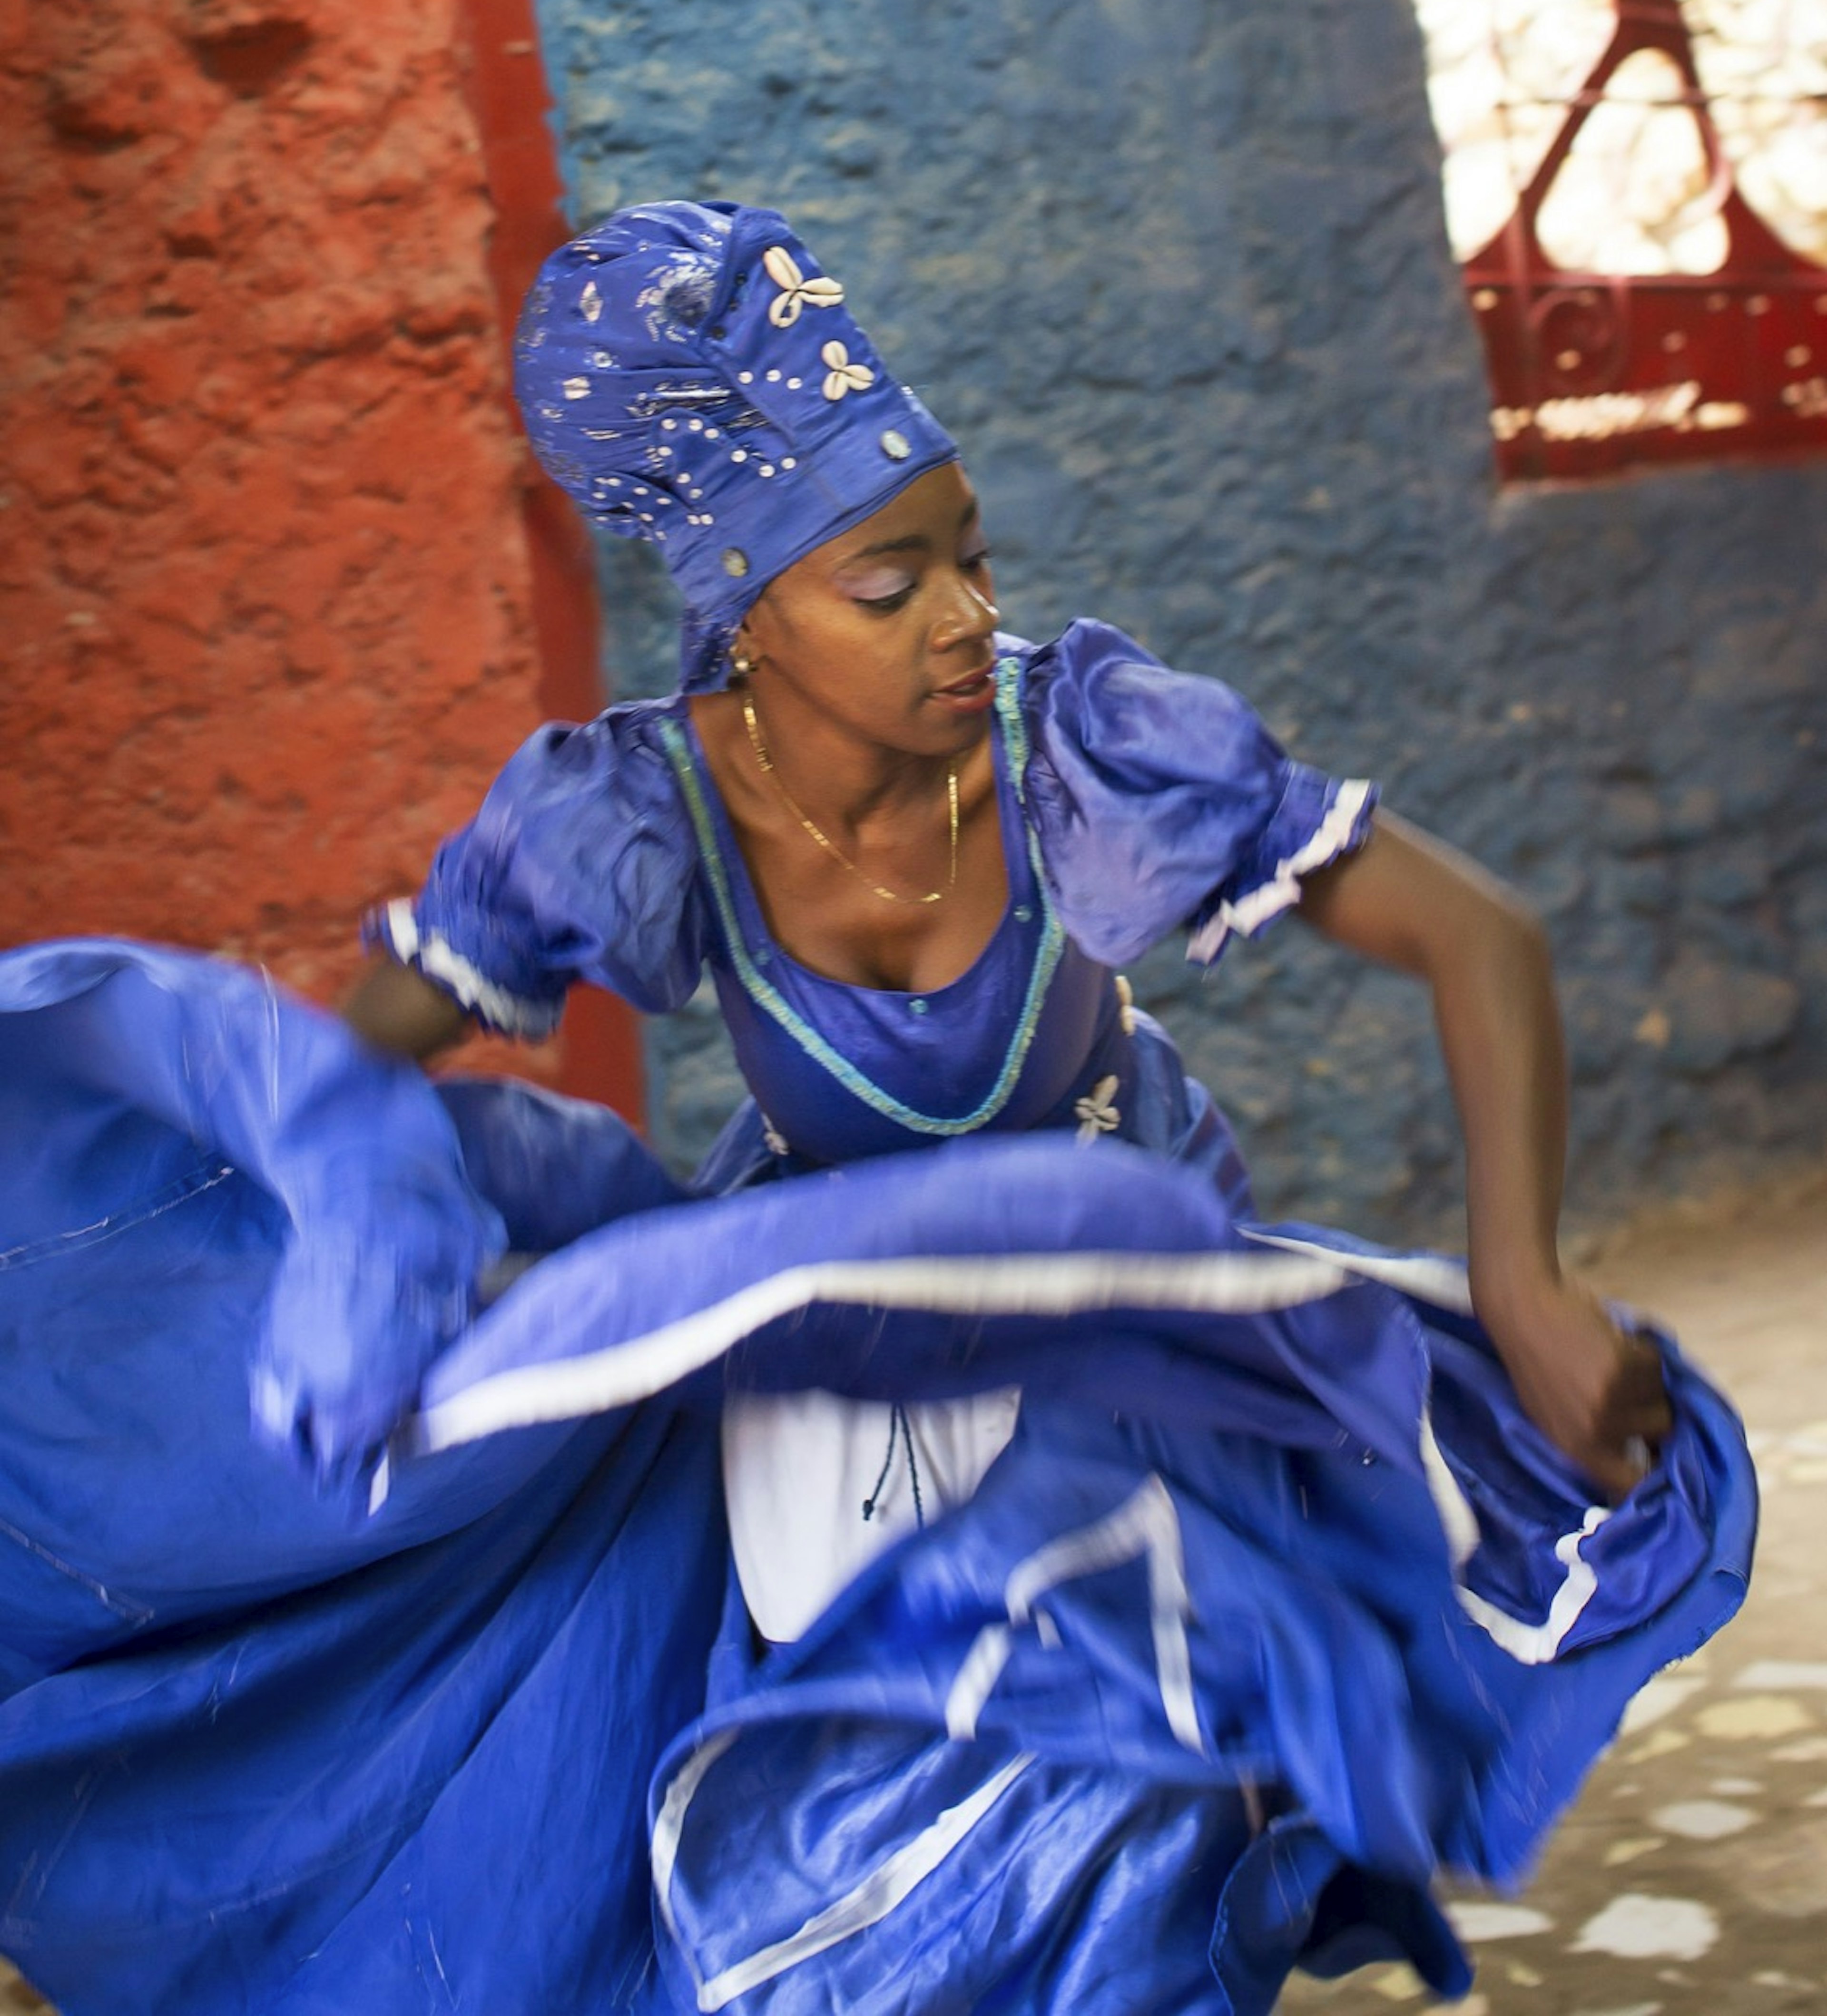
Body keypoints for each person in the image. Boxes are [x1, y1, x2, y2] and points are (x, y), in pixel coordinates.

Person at [0, 201, 1750, 2016]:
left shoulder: (1077, 746)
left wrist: (1525, 1281)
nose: (965, 617)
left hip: (1123, 1330)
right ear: (747, 618)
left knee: (1119, 1768)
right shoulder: (642, 817)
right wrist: (361, 1229)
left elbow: (1479, 933)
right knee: (890, 1806)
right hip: (845, 1356)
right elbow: (351, 1060)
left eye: (969, 554)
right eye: (889, 582)